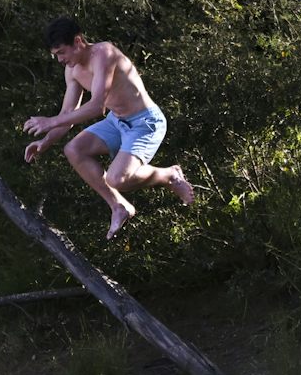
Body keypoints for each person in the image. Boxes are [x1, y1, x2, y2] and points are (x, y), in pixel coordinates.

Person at [22, 16, 195, 239]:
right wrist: (45, 142)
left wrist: (49, 121)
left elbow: (96, 107)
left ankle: (169, 175)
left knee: (117, 179)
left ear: (78, 41)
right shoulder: (72, 70)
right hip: (117, 121)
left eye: (62, 52)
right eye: (55, 55)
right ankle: (118, 206)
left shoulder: (104, 53)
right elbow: (67, 115)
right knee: (73, 150)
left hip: (145, 123)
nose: (60, 60)